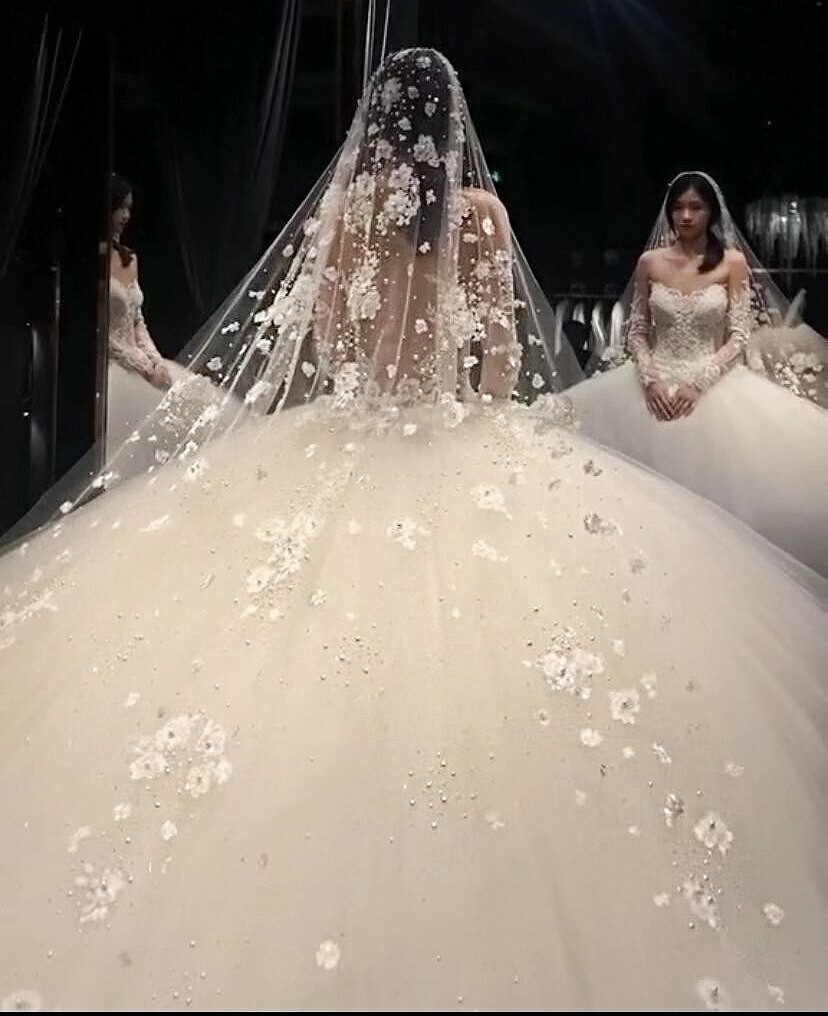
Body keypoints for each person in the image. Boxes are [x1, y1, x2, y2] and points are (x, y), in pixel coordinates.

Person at [0, 51, 826, 1012]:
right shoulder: (483, 217)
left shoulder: (344, 214)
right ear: (452, 123)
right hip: (448, 430)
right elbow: (499, 355)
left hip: (352, 426)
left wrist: (373, 378)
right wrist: (472, 409)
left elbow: (328, 343)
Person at [565, 172, 828, 576]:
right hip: (652, 382)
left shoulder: (732, 263)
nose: (686, 216)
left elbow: (739, 335)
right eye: (679, 207)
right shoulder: (650, 262)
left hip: (711, 385)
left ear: (711, 213)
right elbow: (637, 329)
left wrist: (699, 382)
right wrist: (650, 379)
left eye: (696, 207)